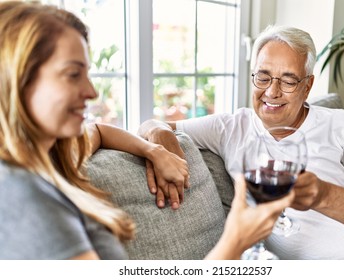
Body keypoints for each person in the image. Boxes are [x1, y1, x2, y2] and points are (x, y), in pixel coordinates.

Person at [0, 1, 293, 260]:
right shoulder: (27, 203)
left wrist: (154, 150)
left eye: (87, 74)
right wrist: (235, 241)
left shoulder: (47, 158)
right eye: (73, 74)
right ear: (17, 80)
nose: (91, 91)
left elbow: (99, 131)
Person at [139, 25, 344, 259]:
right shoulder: (231, 127)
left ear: (307, 86)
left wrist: (322, 195)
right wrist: (160, 137)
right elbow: (151, 124)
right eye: (263, 76)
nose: (272, 92)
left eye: (289, 81)